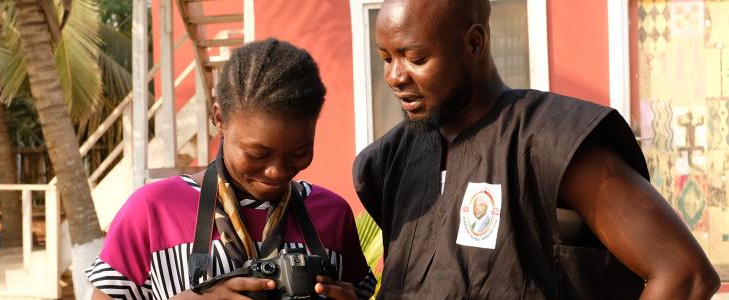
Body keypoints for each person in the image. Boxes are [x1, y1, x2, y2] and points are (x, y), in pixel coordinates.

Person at [352, 0, 720, 299]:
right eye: (386, 58)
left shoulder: (551, 139)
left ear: (474, 43)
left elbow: (684, 276)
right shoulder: (389, 160)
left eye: (415, 58)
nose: (395, 77)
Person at [86, 38, 377, 300]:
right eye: (257, 154)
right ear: (219, 119)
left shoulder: (331, 215)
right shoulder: (152, 211)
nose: (276, 171)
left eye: (299, 153)